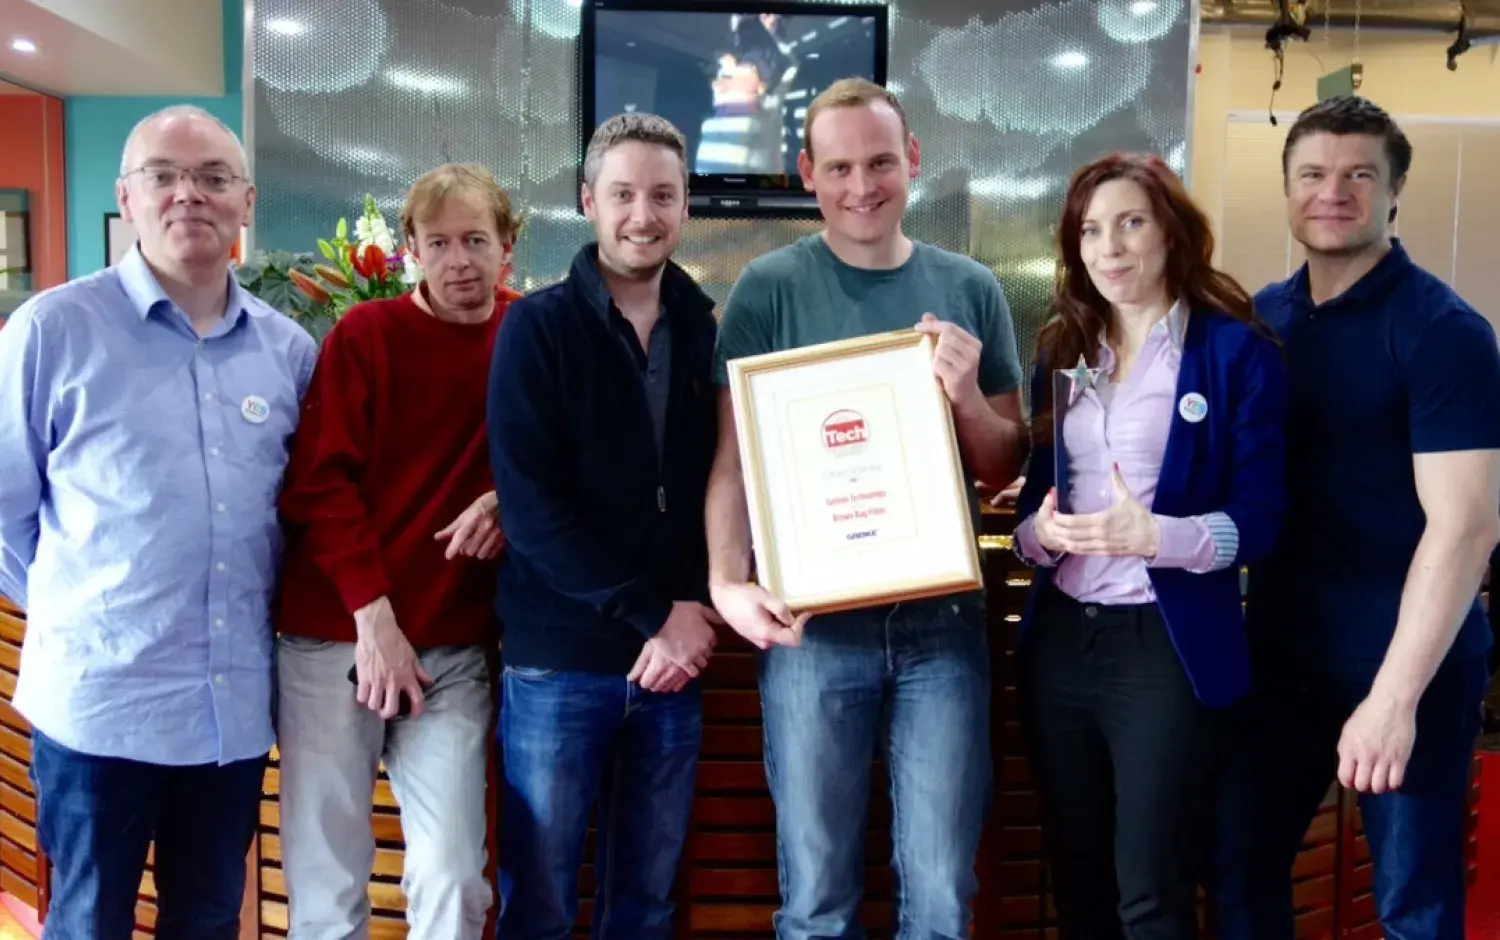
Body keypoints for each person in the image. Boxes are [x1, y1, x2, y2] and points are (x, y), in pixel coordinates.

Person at [706, 77, 1028, 939]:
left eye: (881, 161)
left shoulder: (970, 287)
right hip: (814, 632)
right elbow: (733, 463)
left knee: (941, 896)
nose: (862, 186)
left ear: (912, 159)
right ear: (808, 173)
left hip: (943, 627)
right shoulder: (768, 289)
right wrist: (726, 581)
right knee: (815, 901)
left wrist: (962, 394)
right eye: (840, 166)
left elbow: (1003, 467)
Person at [0, 104, 315, 939]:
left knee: (208, 921)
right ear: (127, 197)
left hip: (230, 713)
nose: (189, 196)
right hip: (98, 708)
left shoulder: (289, 353)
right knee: (88, 922)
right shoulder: (51, 332)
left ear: (246, 202)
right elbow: (7, 514)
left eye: (213, 178)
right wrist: (86, 614)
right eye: (164, 177)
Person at [1213, 96, 1500, 940]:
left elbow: (1467, 527)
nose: (1331, 192)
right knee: (1238, 879)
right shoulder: (1263, 316)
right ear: (1287, 188)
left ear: (1395, 189)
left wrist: (1392, 699)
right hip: (1278, 660)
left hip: (1407, 663)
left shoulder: (1444, 332)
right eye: (1312, 173)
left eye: (1357, 175)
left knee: (1413, 906)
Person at [1010, 153, 1286, 939]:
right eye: (1091, 231)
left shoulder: (1235, 354)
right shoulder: (1066, 351)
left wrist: (1156, 537)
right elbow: (1036, 509)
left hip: (1162, 648)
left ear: (1171, 231)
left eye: (1130, 222)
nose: (1111, 247)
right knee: (1078, 877)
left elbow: (1263, 519)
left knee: (1150, 887)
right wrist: (1042, 535)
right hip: (1063, 641)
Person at [273, 163, 522, 940]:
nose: (459, 261)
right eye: (439, 242)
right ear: (410, 248)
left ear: (507, 247)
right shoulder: (364, 336)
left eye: (476, 241)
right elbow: (319, 484)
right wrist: (372, 621)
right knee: (327, 879)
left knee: (453, 876)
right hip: (336, 639)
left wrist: (511, 500)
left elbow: (571, 457)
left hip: (451, 651)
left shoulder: (531, 333)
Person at [487, 112, 720, 939]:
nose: (643, 214)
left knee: (646, 904)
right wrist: (654, 614)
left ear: (686, 206)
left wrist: (692, 606)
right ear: (589, 201)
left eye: (662, 195)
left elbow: (715, 484)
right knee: (542, 902)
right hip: (562, 663)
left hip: (673, 669)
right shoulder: (537, 327)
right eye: (623, 194)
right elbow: (529, 506)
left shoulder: (703, 328)